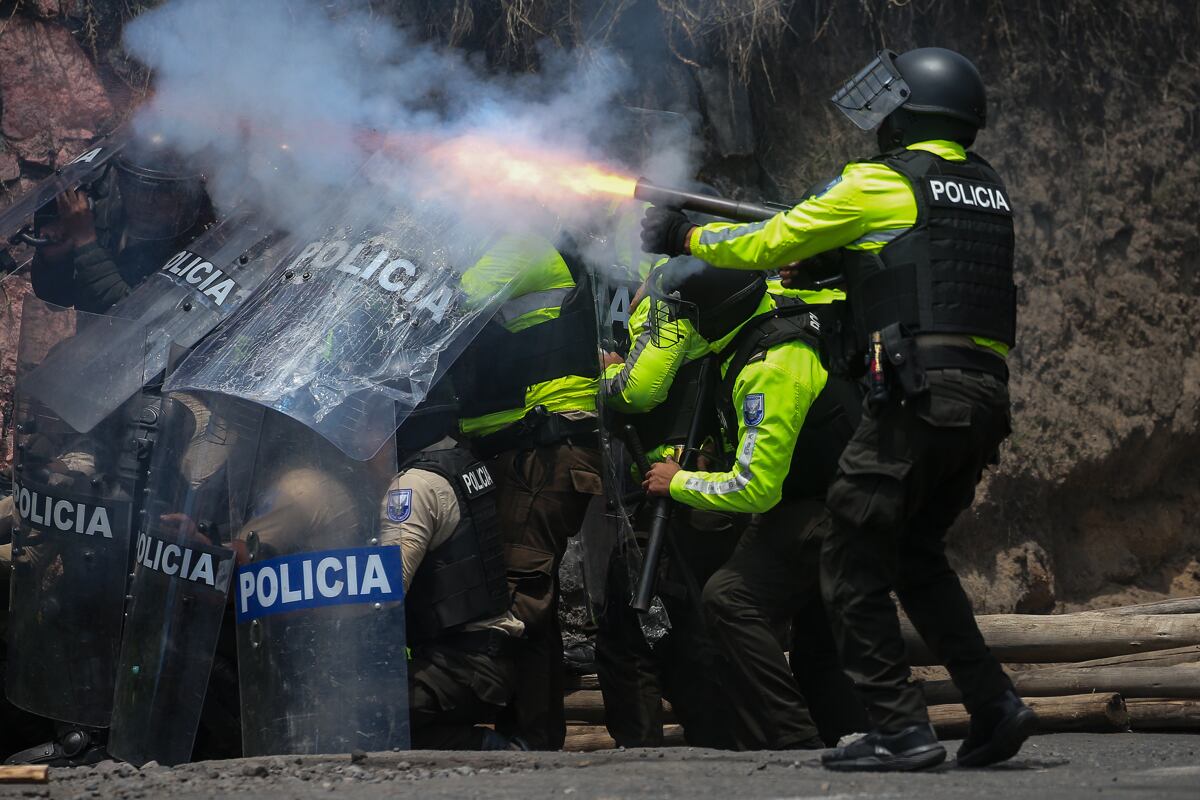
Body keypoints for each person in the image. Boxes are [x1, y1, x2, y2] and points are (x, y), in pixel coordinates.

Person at [640, 47, 1033, 771]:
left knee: (852, 562)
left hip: (917, 399)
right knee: (918, 560)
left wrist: (686, 236)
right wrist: (838, 263)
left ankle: (902, 731)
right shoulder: (983, 187)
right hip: (981, 400)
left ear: (910, 112)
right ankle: (995, 704)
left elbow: (770, 239)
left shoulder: (879, 182)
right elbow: (916, 278)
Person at [639, 260, 868, 750]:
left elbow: (756, 488)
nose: (681, 323)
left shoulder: (772, 366)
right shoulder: (757, 327)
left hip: (836, 510)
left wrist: (680, 482)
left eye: (685, 313)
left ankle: (794, 742)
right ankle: (852, 744)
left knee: (729, 597)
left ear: (714, 312)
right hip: (846, 501)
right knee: (818, 655)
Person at [453, 232, 604, 750]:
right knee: (524, 590)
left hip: (544, 447)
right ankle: (532, 737)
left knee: (519, 591)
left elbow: (452, 301)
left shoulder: (522, 244)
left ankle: (528, 739)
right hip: (518, 449)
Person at [594, 257, 743, 749]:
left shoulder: (668, 289)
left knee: (628, 632)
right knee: (694, 628)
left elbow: (641, 391)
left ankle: (641, 759)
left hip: (672, 491)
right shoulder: (723, 290)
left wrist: (603, 378)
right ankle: (721, 746)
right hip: (710, 484)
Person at [378, 408, 526, 750]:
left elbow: (384, 593)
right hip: (487, 657)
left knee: (363, 711)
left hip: (460, 665)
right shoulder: (461, 461)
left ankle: (486, 748)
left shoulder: (412, 486)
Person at [31, 141, 208, 313]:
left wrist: (86, 244)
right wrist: (55, 260)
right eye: (136, 187)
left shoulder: (200, 244)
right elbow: (57, 299)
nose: (144, 202)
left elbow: (133, 314)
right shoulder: (103, 218)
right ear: (121, 183)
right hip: (97, 341)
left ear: (183, 195)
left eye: (160, 193)